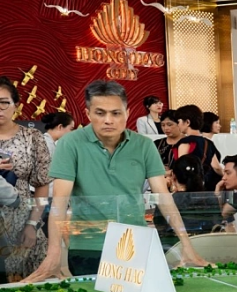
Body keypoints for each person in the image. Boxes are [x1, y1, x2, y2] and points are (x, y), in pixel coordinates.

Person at [24, 80, 207, 280]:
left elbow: (164, 197)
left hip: (136, 243)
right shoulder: (70, 143)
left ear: (127, 113)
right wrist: (53, 254)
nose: (108, 120)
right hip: (88, 247)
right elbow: (59, 202)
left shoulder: (144, 145)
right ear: (88, 114)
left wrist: (186, 245)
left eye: (116, 113)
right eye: (100, 113)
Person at [0, 76, 51, 281]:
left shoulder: (32, 137)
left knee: (27, 284)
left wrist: (32, 224)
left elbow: (42, 185)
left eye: (4, 102)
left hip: (22, 223)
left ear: (16, 105)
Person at [174, 104, 222, 190]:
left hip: (187, 186)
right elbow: (216, 167)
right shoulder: (208, 143)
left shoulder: (185, 142)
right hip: (204, 184)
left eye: (179, 122)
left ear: (187, 122)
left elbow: (182, 166)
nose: (178, 125)